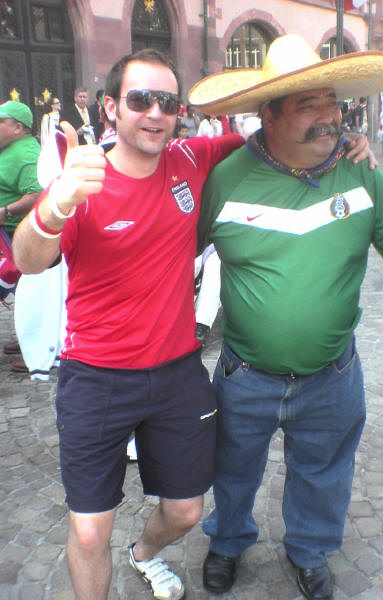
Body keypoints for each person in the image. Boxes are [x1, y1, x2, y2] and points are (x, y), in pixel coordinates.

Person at [188, 33, 383, 600]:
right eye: (309, 104)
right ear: (269, 116)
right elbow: (175, 252)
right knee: (233, 468)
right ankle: (228, 540)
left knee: (324, 471)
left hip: (333, 375)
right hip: (245, 375)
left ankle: (308, 550)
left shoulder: (360, 171)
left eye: (332, 101)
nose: (330, 115)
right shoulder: (228, 178)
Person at [12, 48, 244, 600]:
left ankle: (144, 553)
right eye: (140, 99)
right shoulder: (84, 180)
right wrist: (55, 206)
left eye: (167, 102)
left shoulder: (190, 159)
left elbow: (264, 142)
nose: (155, 112)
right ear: (111, 108)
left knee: (186, 511)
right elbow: (26, 259)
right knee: (90, 530)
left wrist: (344, 146)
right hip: (96, 378)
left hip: (177, 372)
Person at [0, 100, 42, 370]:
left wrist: (6, 211)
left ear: (18, 127)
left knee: (30, 293)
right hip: (10, 236)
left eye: (1, 122)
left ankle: (37, 349)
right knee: (24, 292)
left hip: (18, 238)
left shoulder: (26, 153)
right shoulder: (11, 148)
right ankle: (29, 339)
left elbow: (36, 194)